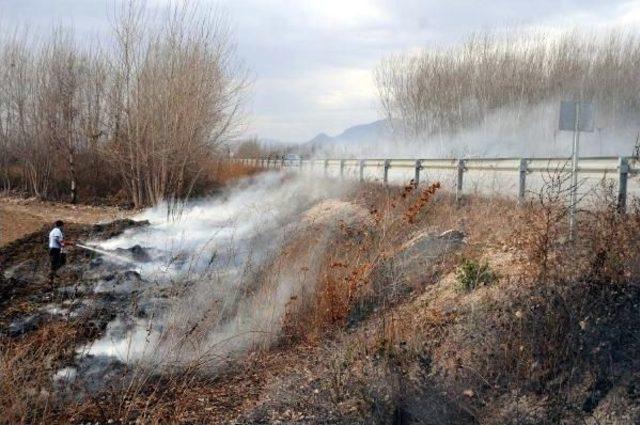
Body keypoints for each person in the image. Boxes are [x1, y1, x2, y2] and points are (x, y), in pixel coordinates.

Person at [48, 220, 66, 286]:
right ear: (61, 226)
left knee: (62, 261)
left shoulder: (53, 231)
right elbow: (56, 238)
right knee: (54, 264)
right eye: (62, 226)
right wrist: (62, 243)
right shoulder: (57, 231)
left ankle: (53, 273)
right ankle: (50, 279)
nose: (63, 228)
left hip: (54, 249)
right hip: (55, 250)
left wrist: (62, 243)